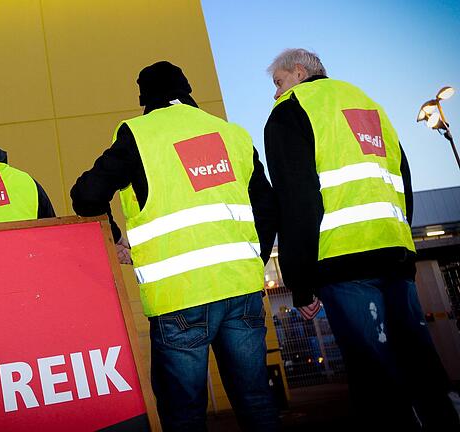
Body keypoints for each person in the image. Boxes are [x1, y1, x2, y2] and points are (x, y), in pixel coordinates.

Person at [71, 61, 280, 431]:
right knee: (257, 403)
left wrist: (115, 235)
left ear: (144, 99)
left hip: (178, 299)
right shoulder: (231, 134)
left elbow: (86, 195)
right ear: (187, 90)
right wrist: (252, 261)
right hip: (242, 290)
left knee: (184, 414)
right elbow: (266, 208)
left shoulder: (138, 135)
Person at [264, 48, 460, 430]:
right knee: (422, 367)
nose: (275, 93)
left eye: (278, 82)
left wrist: (300, 283)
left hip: (343, 261)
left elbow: (297, 198)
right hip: (394, 254)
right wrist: (400, 239)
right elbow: (403, 178)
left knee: (375, 376)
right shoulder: (367, 104)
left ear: (299, 72)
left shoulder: (290, 110)